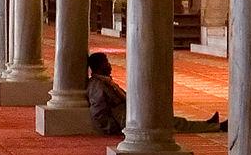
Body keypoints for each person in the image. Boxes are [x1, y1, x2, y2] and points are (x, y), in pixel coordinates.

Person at [85, 51, 224, 135]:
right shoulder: (98, 86)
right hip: (126, 120)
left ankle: (209, 124)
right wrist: (115, 128)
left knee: (170, 119)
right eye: (106, 63)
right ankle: (215, 127)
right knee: (170, 123)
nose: (110, 66)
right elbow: (100, 113)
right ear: (99, 66)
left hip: (128, 115)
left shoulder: (103, 82)